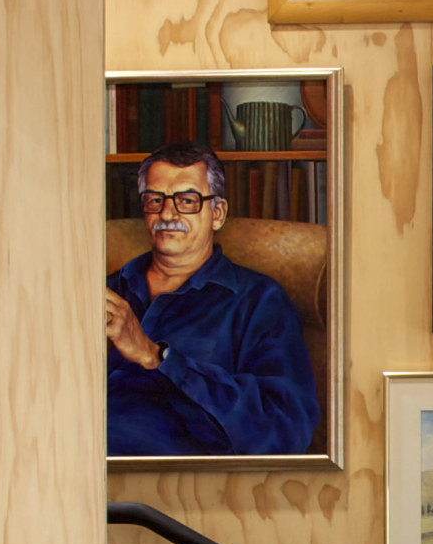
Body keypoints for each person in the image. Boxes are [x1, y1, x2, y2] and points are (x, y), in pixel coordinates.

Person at [106, 150, 322, 453]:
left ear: (217, 213)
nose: (167, 215)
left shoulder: (259, 301)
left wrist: (157, 358)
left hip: (177, 488)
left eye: (187, 201)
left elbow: (285, 431)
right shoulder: (106, 289)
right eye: (155, 200)